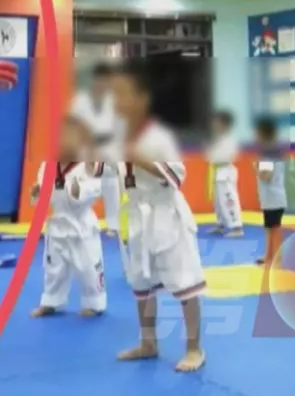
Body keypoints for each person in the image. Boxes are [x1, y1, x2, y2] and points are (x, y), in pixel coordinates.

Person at [111, 63, 206, 373]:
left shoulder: (160, 134)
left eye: (124, 95)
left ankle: (194, 348)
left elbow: (178, 175)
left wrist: (140, 159)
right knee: (141, 283)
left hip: (167, 215)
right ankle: (148, 342)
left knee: (184, 282)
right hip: (138, 215)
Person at [29, 115, 108, 318]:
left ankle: (94, 302)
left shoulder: (88, 166)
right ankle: (51, 301)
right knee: (54, 267)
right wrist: (38, 193)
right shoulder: (47, 166)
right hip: (58, 224)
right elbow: (44, 195)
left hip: (82, 225)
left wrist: (79, 190)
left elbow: (96, 188)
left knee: (88, 266)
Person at [70, 63, 122, 237]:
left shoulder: (113, 101)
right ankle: (78, 224)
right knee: (83, 183)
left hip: (109, 146)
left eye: (107, 81)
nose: (103, 84)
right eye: (101, 80)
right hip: (87, 146)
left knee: (111, 184)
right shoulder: (80, 100)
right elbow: (75, 124)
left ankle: (113, 225)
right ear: (95, 80)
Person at [253, 115, 288, 267]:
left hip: (273, 198)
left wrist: (255, 167)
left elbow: (266, 176)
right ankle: (269, 256)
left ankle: (276, 258)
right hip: (272, 198)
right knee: (269, 228)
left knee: (273, 228)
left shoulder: (268, 152)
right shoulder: (275, 150)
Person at [206, 110, 243, 237]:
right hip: (217, 172)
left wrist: (213, 156)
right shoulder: (218, 139)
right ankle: (221, 224)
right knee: (218, 201)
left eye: (216, 122)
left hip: (225, 172)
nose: (214, 125)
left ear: (224, 124)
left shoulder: (230, 140)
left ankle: (237, 227)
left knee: (228, 199)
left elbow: (223, 157)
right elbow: (208, 155)